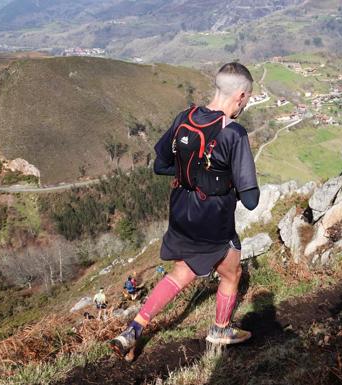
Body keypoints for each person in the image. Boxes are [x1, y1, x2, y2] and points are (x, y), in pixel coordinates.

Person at [109, 62, 260, 359]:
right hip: (213, 221)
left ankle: (134, 329)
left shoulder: (185, 118)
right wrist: (223, 181)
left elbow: (160, 164)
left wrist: (192, 174)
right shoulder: (234, 133)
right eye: (248, 98)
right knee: (232, 274)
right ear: (240, 95)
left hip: (181, 214)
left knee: (181, 272)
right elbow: (252, 199)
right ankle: (220, 329)